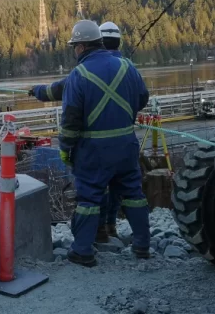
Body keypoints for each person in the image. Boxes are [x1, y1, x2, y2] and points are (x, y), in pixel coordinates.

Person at [59, 19, 150, 267]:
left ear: (80, 46)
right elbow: (143, 97)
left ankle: (83, 250)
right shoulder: (127, 66)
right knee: (133, 193)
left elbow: (70, 121)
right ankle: (142, 245)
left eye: (74, 46)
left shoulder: (79, 75)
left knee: (89, 198)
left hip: (94, 151)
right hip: (126, 145)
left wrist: (66, 149)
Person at [29, 21, 127, 241]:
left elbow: (59, 90)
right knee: (118, 186)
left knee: (94, 190)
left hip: (94, 145)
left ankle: (97, 233)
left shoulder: (86, 69)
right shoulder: (126, 67)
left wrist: (36, 91)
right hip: (124, 143)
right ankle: (113, 227)